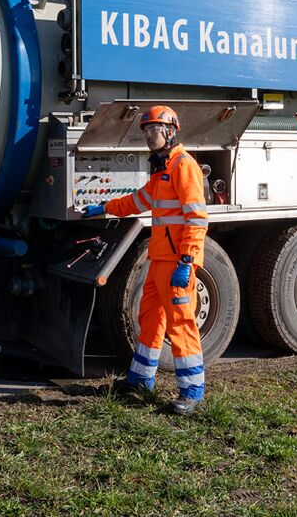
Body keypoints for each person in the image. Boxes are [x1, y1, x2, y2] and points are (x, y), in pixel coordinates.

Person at [82, 105, 209, 414]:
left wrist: (187, 262)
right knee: (149, 320)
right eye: (146, 131)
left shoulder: (183, 166)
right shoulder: (163, 168)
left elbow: (197, 220)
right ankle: (140, 380)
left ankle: (192, 391)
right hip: (159, 261)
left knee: (180, 324)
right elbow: (138, 200)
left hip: (177, 263)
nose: (150, 136)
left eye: (155, 130)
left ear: (171, 132)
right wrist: (105, 207)